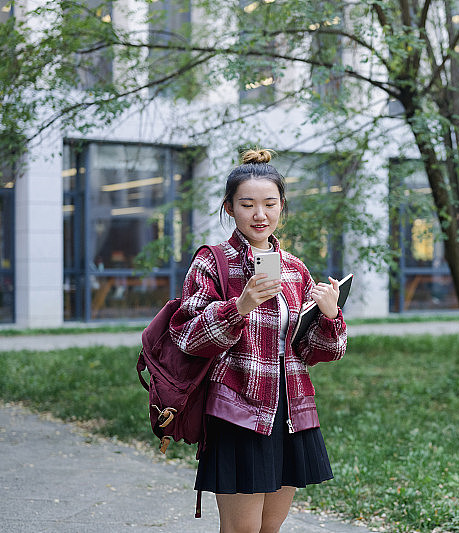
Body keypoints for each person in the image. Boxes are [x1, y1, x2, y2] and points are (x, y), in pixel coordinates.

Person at [169, 148, 347, 533]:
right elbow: (187, 336)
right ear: (229, 208)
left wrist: (331, 316)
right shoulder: (212, 262)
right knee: (242, 531)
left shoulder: (295, 268)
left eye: (269, 204)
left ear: (282, 206)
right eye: (247, 204)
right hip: (239, 411)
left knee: (270, 528)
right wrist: (240, 306)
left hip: (291, 413)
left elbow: (319, 352)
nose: (259, 215)